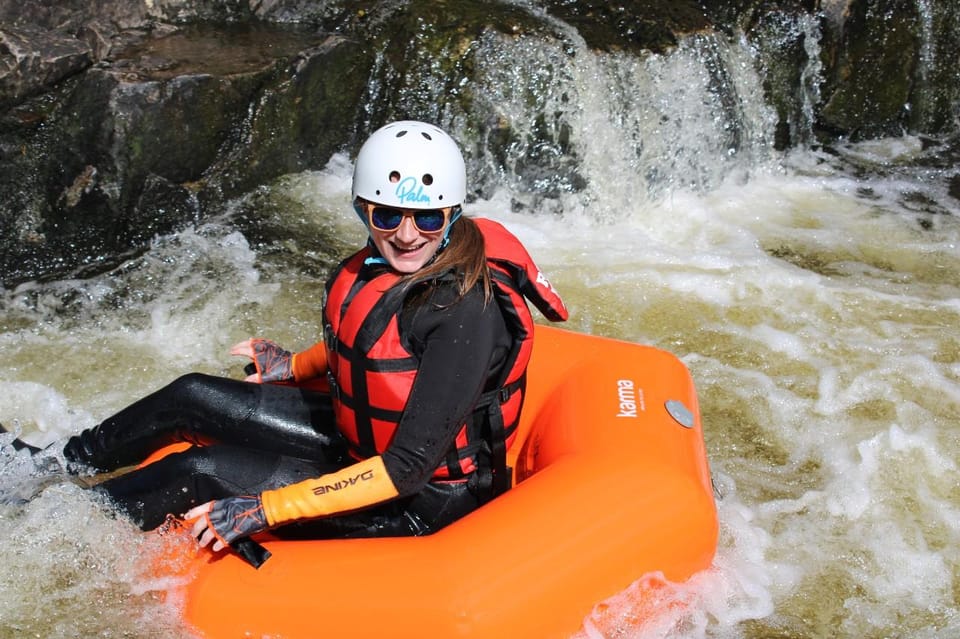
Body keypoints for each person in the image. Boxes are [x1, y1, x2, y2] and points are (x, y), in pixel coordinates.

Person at [3, 121, 567, 558]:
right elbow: (377, 347)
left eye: (427, 218)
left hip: (422, 503)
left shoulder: (466, 311)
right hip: (359, 447)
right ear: (362, 208)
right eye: (389, 213)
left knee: (198, 471)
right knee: (193, 394)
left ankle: (43, 529)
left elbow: (406, 470)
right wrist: (294, 367)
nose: (406, 233)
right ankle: (49, 465)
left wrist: (268, 509)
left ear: (452, 213)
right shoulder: (384, 264)